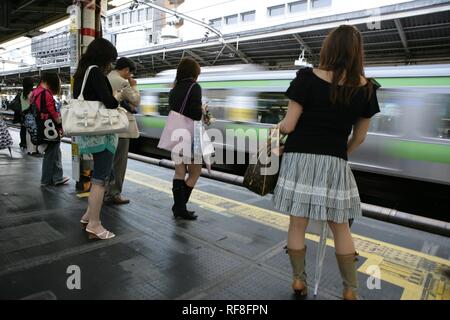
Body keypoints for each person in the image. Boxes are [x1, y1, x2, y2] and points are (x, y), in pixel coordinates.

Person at [272, 25, 380, 300]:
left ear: (328, 47)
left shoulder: (306, 79)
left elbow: (289, 124)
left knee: (298, 223)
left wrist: (277, 130)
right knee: (340, 226)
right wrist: (339, 152)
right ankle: (350, 289)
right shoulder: (367, 89)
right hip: (335, 162)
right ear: (357, 52)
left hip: (299, 159)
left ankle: (298, 281)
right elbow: (360, 137)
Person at [74, 38, 120, 240]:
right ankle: (95, 224)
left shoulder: (81, 73)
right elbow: (109, 103)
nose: (111, 64)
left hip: (89, 132)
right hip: (102, 133)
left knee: (99, 178)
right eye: (110, 60)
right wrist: (117, 95)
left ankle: (87, 216)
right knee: (100, 180)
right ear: (103, 57)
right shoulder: (95, 72)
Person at [168, 58, 204, 220]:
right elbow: (195, 114)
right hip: (190, 134)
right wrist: (203, 111)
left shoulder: (174, 89)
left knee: (180, 171)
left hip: (175, 132)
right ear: (194, 73)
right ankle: (180, 207)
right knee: (196, 172)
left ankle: (179, 207)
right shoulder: (194, 87)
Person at [105, 57, 141, 205]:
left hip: (107, 125)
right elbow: (136, 100)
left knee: (108, 161)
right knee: (119, 163)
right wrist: (134, 86)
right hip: (121, 127)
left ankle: (105, 190)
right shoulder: (123, 82)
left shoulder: (107, 77)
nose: (130, 76)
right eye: (130, 73)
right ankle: (114, 193)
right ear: (126, 70)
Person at [31, 73, 70, 187]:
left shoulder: (35, 92)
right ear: (50, 81)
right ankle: (46, 180)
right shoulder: (45, 93)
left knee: (55, 152)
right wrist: (60, 122)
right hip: (49, 127)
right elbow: (52, 111)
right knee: (51, 153)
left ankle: (57, 177)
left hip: (41, 126)